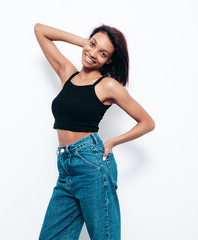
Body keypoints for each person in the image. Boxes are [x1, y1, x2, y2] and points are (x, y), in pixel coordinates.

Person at [34, 23, 155, 240]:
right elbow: (39, 30)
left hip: (92, 164)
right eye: (93, 44)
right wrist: (86, 44)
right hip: (66, 168)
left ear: (109, 61)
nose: (93, 54)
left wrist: (112, 142)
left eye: (103, 53)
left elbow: (147, 122)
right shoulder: (67, 74)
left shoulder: (107, 85)